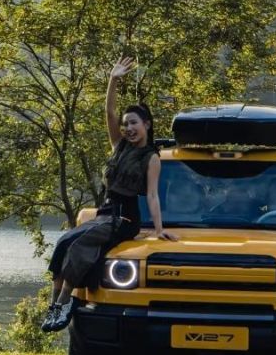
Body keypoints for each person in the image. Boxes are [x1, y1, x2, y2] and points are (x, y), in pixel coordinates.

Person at [41, 56, 175, 332]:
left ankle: (65, 304)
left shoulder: (151, 158)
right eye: (126, 124)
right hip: (105, 214)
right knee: (64, 242)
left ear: (147, 124)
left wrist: (159, 229)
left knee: (80, 245)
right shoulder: (119, 146)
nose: (128, 128)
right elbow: (110, 113)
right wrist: (113, 79)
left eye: (134, 123)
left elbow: (152, 195)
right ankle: (52, 307)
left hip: (125, 219)